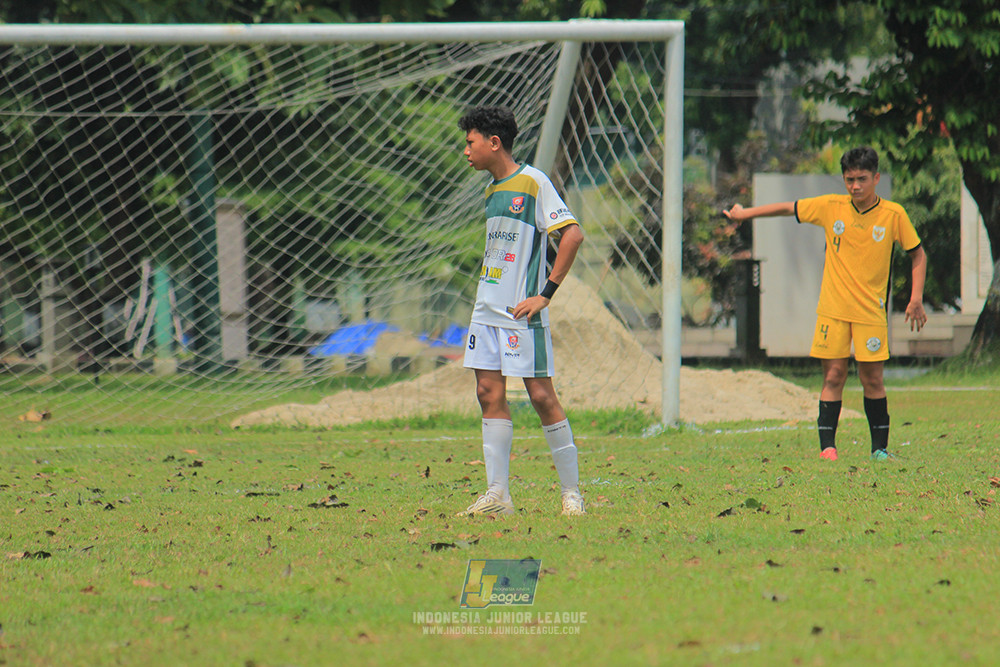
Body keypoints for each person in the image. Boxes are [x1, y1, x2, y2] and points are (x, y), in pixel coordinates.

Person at [723, 146, 927, 461]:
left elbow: (918, 254)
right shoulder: (831, 207)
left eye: (861, 179)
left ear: (876, 178)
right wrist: (744, 214)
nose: (855, 186)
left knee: (872, 379)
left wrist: (915, 298)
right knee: (833, 376)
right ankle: (827, 449)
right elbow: (787, 208)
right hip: (833, 310)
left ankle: (879, 450)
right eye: (849, 179)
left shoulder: (893, 214)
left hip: (870, 313)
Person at [455, 105, 586, 516]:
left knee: (542, 396)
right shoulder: (491, 190)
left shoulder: (533, 182)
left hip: (520, 313)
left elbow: (572, 235)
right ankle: (498, 496)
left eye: (470, 142)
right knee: (487, 393)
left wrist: (545, 294)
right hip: (485, 310)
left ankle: (572, 494)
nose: (466, 151)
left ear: (494, 143)